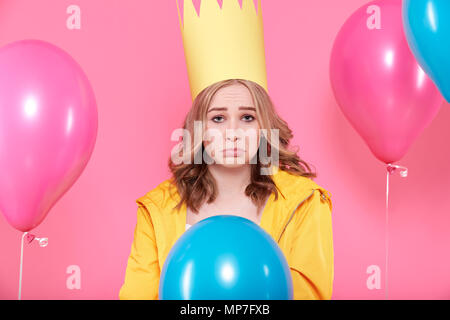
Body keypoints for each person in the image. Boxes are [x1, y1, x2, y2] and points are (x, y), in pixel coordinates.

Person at [119, 0, 334, 300]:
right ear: (198, 128)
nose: (232, 134)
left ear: (264, 127)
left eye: (247, 117)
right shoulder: (157, 210)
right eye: (217, 118)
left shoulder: (304, 203)